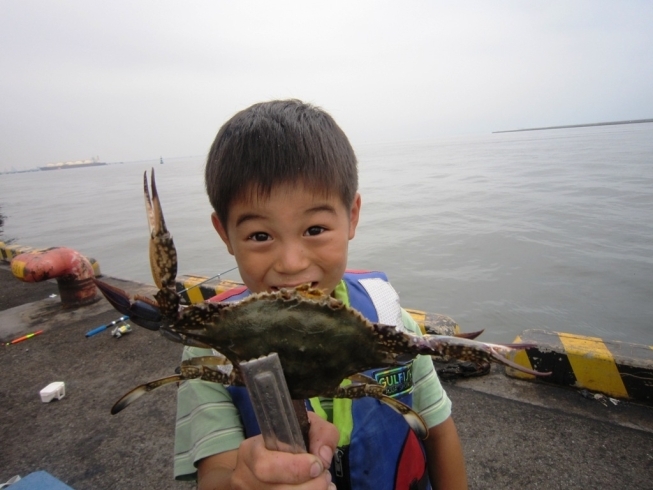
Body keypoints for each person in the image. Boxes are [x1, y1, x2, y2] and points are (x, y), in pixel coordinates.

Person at [174, 99, 468, 490]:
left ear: (352, 216)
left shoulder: (390, 320)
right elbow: (215, 474)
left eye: (314, 229)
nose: (292, 263)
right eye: (260, 236)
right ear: (225, 234)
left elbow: (440, 432)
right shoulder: (212, 346)